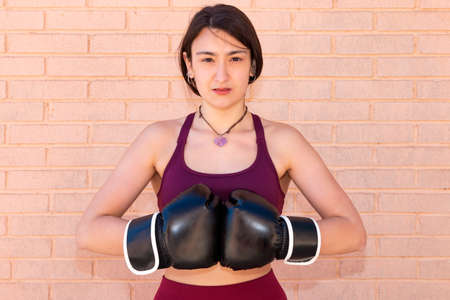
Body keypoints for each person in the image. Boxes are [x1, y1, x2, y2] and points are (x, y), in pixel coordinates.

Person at [76, 4, 367, 299]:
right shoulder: (159, 139)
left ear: (252, 64)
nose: (221, 75)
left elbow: (352, 232)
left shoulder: (283, 141)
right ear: (189, 64)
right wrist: (161, 239)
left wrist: (280, 238)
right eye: (207, 59)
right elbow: (89, 231)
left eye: (236, 58)